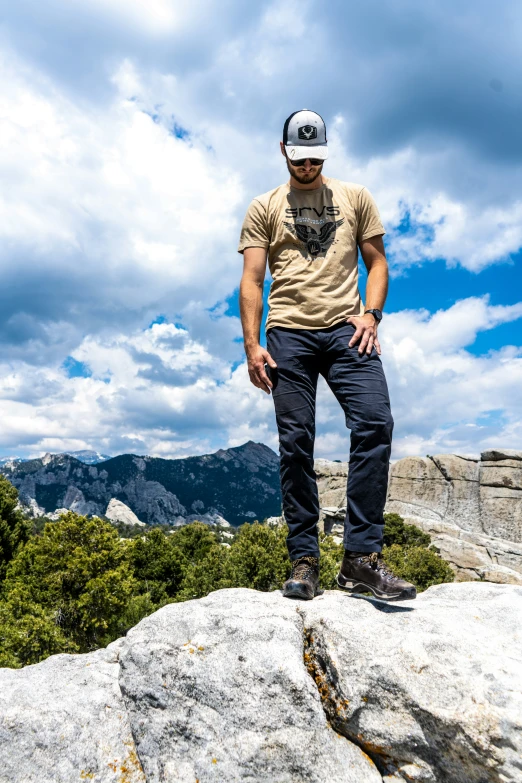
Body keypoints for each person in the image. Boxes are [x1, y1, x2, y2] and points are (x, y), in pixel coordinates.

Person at [238, 109, 416, 602]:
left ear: (325, 152)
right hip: (288, 334)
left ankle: (360, 559)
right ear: (283, 152)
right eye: (299, 159)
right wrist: (252, 346)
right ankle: (304, 560)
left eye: (315, 158)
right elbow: (252, 279)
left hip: (347, 331)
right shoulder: (264, 206)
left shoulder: (355, 197)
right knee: (296, 442)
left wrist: (372, 315)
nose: (308, 167)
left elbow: (377, 263)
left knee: (376, 423)